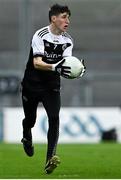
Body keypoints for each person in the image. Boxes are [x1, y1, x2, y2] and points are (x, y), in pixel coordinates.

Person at [21, 4, 85, 174]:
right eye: (64, 17)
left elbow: (66, 65)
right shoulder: (40, 35)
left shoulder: (68, 40)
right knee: (30, 120)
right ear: (53, 18)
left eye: (68, 17)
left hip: (51, 86)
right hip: (32, 84)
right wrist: (57, 67)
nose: (67, 21)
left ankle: (50, 159)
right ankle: (26, 134)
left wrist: (76, 70)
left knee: (54, 118)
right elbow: (37, 63)